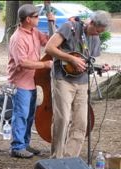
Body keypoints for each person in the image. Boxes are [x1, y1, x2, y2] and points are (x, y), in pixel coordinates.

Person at [45, 11, 111, 159]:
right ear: (91, 23)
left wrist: (100, 68)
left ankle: (70, 159)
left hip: (82, 82)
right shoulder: (70, 27)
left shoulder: (95, 38)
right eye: (97, 31)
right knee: (62, 119)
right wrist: (70, 58)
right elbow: (49, 48)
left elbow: (87, 62)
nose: (97, 35)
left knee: (81, 122)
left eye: (101, 32)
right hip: (62, 80)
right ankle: (57, 158)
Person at [7, 4, 54, 158]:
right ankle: (17, 147)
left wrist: (51, 22)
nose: (38, 18)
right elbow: (22, 62)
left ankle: (24, 144)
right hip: (20, 82)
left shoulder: (34, 32)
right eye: (36, 16)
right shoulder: (17, 38)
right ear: (28, 19)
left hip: (32, 81)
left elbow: (49, 42)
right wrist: (44, 64)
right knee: (21, 114)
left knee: (28, 115)